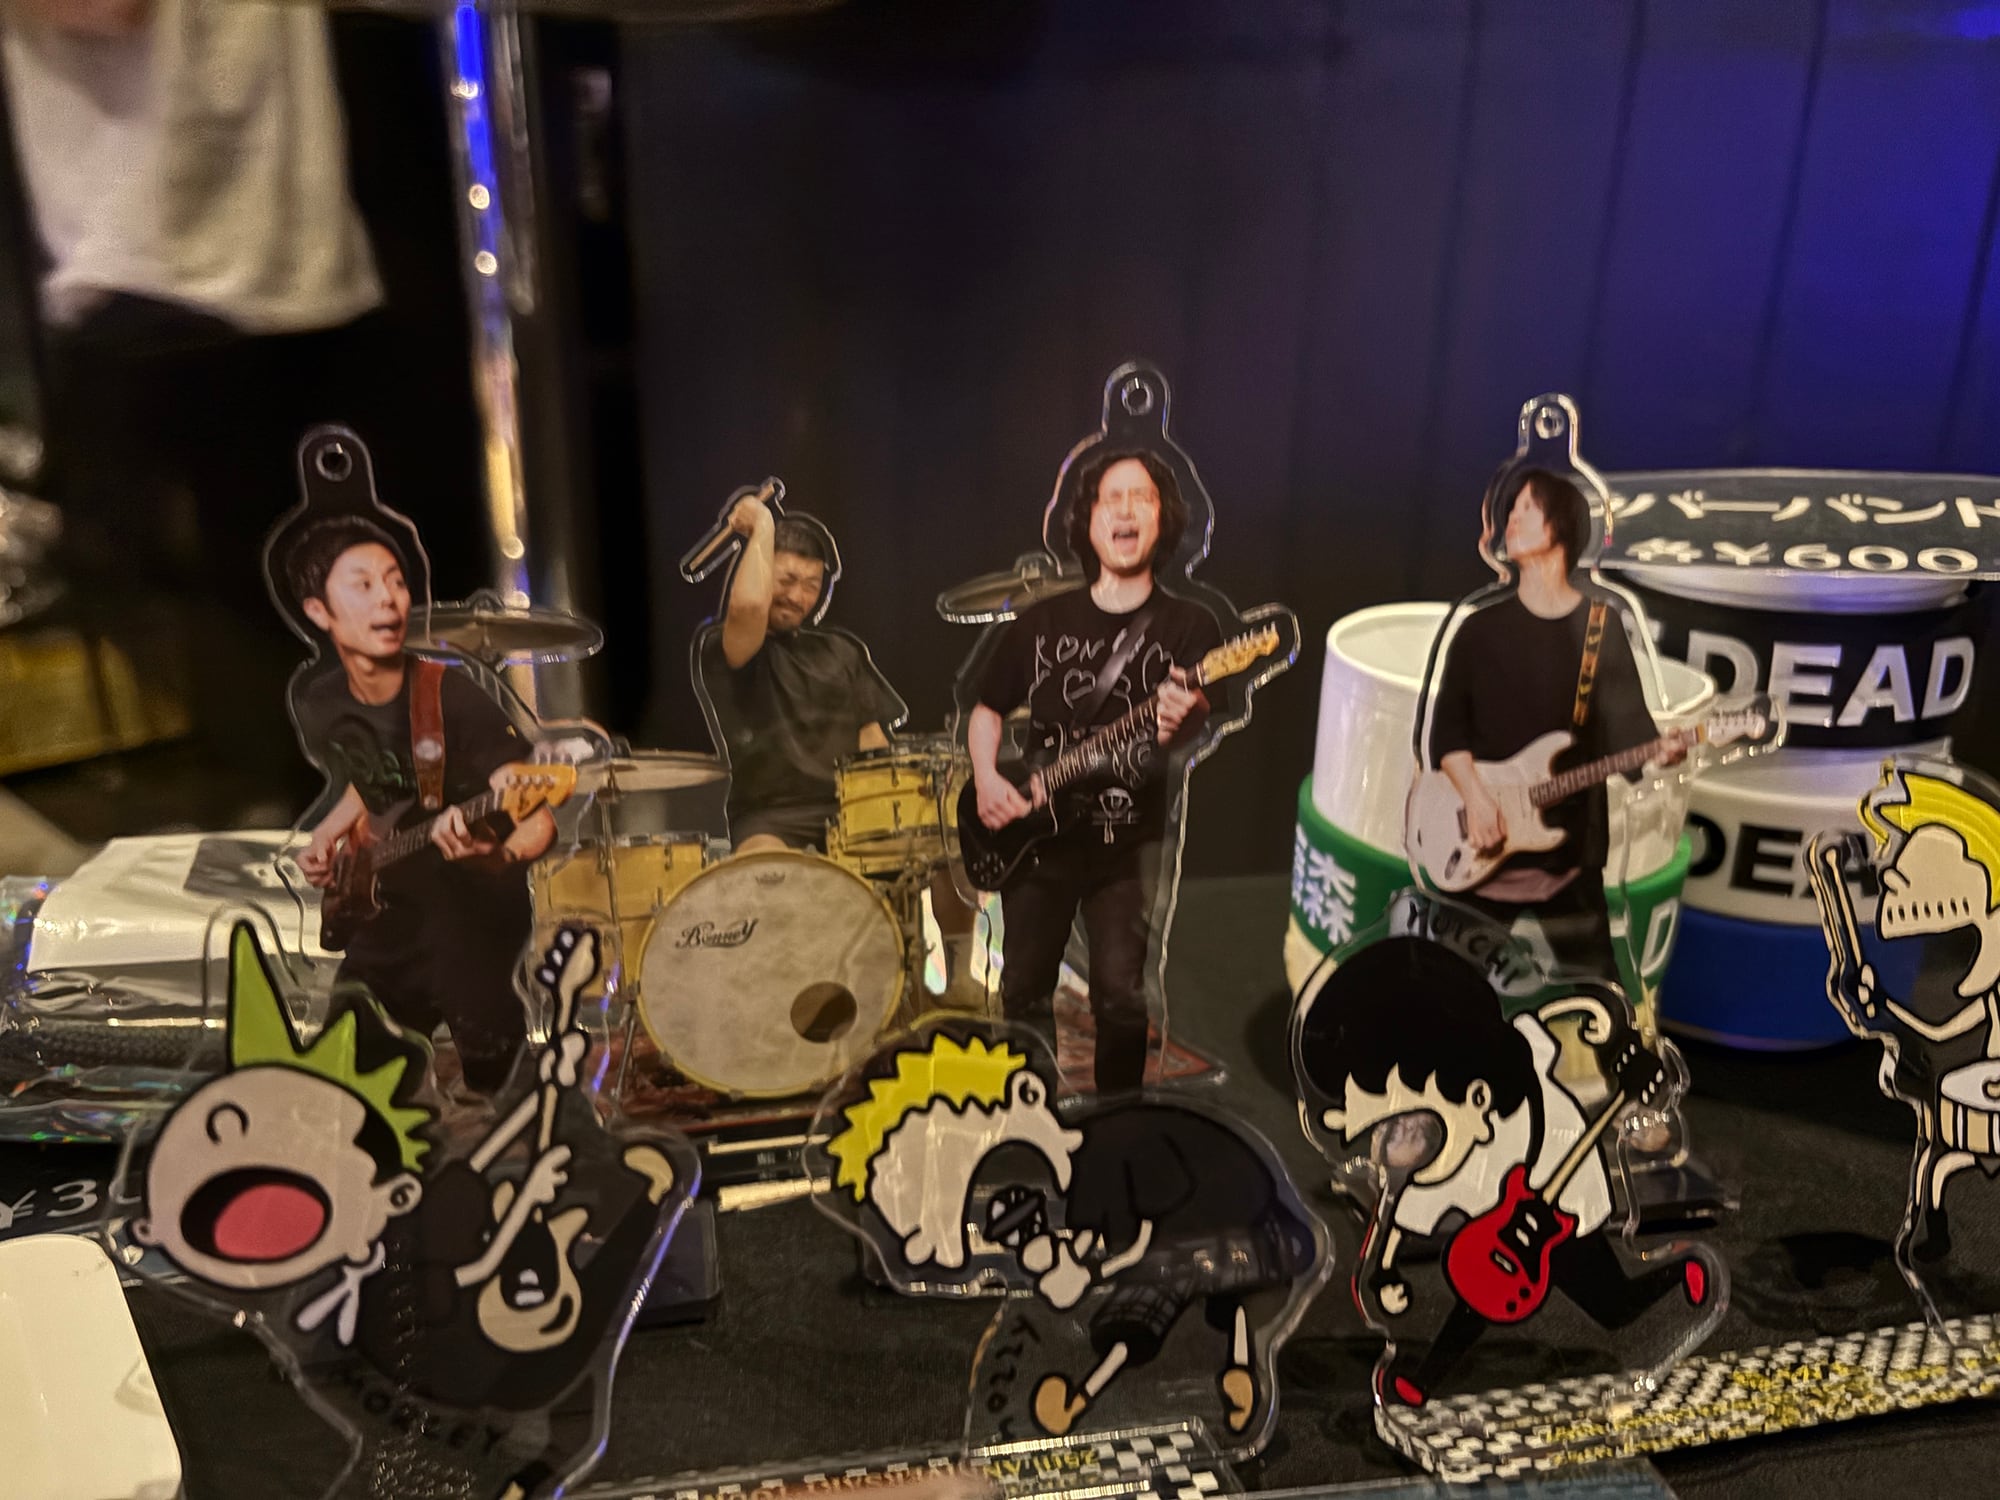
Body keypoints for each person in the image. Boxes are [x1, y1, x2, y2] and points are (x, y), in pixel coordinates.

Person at [1294, 935, 1707, 1409]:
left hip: (1568, 1208)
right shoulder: (1439, 1170)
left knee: (1614, 1308)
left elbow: (1578, 1008)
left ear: (1476, 1096)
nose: (1400, 1144)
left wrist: (1622, 1049)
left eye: (1410, 1121)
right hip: (1497, 1231)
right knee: (1475, 1300)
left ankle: (1683, 1267)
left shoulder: (1522, 1055)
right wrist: (1384, 1270)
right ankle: (1425, 1381)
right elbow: (1397, 1213)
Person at [968, 449, 1221, 1095]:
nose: (1126, 510)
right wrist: (989, 779)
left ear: (1164, 519)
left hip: (1127, 843)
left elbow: (1189, 728)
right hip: (1036, 842)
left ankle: (1118, 1119)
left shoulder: (1190, 626)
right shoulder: (1042, 621)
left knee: (1120, 995)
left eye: (1143, 497)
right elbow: (987, 709)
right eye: (1113, 498)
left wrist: (1185, 716)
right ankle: (1031, 1114)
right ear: (1088, 520)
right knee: (1023, 989)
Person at [284, 515, 554, 1095]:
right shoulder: (320, 702)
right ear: (318, 611)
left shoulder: (452, 696)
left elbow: (537, 816)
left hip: (469, 925)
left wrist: (497, 856)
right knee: (343, 1085)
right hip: (384, 921)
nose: (388, 598)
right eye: (363, 584)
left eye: (396, 581)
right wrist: (331, 833)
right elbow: (375, 777)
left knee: (502, 1093)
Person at [1422, 468, 1683, 981]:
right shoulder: (1478, 630)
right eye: (1511, 509)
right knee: (1447, 988)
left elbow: (1629, 733)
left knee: (1599, 993)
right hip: (1478, 858)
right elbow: (1446, 734)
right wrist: (1477, 800)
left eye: (1527, 508)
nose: (1511, 520)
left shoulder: (1600, 629)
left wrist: (1664, 752)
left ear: (1559, 525)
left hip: (1569, 859)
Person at [696, 494, 903, 853]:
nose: (797, 596)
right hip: (768, 816)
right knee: (767, 870)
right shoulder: (725, 645)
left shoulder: (842, 650)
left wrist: (894, 803)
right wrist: (763, 525)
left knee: (934, 855)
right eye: (787, 579)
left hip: (848, 809)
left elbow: (872, 741)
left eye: (811, 585)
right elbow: (748, 605)